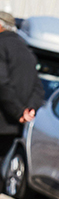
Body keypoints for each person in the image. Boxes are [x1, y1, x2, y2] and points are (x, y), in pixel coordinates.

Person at [0, 11, 44, 179]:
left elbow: (2, 83)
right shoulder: (26, 51)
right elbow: (38, 88)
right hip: (13, 126)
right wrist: (28, 110)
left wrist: (18, 111)